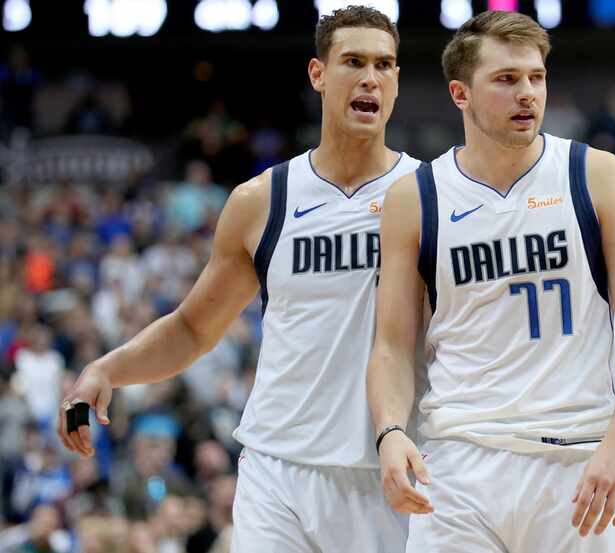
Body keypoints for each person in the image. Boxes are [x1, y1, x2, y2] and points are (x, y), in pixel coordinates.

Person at [57, 7, 418, 553]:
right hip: (278, 468)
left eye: (384, 65)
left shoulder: (431, 193)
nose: (371, 77)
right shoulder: (261, 201)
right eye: (354, 62)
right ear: (318, 75)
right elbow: (193, 329)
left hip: (386, 465)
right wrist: (108, 367)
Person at [367, 10, 615, 553]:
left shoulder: (596, 175)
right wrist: (389, 432)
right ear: (461, 93)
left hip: (581, 464)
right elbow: (391, 345)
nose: (527, 93)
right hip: (458, 467)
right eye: (506, 79)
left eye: (536, 77)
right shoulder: (416, 197)